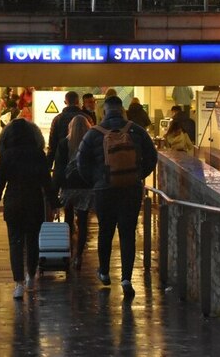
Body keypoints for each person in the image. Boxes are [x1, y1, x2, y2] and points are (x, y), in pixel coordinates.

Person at [77, 95, 158, 297]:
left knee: (105, 230)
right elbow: (152, 157)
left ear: (104, 112)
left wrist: (96, 181)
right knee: (127, 233)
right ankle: (126, 278)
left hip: (104, 191)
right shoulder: (136, 130)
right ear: (122, 110)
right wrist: (138, 175)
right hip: (130, 189)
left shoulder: (93, 134)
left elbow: (81, 163)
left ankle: (104, 272)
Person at [0, 118, 53, 299]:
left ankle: (18, 283)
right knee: (33, 241)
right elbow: (46, 181)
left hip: (13, 201)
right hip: (34, 201)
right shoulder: (38, 154)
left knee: (15, 243)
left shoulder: (7, 155)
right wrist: (53, 202)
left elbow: (0, 179)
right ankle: (31, 277)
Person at [53, 114, 94, 270]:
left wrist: (54, 192)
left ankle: (68, 251)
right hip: (86, 187)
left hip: (68, 186)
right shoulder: (90, 144)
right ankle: (79, 255)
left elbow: (58, 170)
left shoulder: (64, 143)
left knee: (68, 220)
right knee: (82, 222)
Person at [47, 91, 87, 168]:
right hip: (82, 162)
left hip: (62, 161)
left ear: (65, 102)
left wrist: (48, 165)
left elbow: (52, 144)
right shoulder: (86, 118)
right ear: (78, 101)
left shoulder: (57, 119)